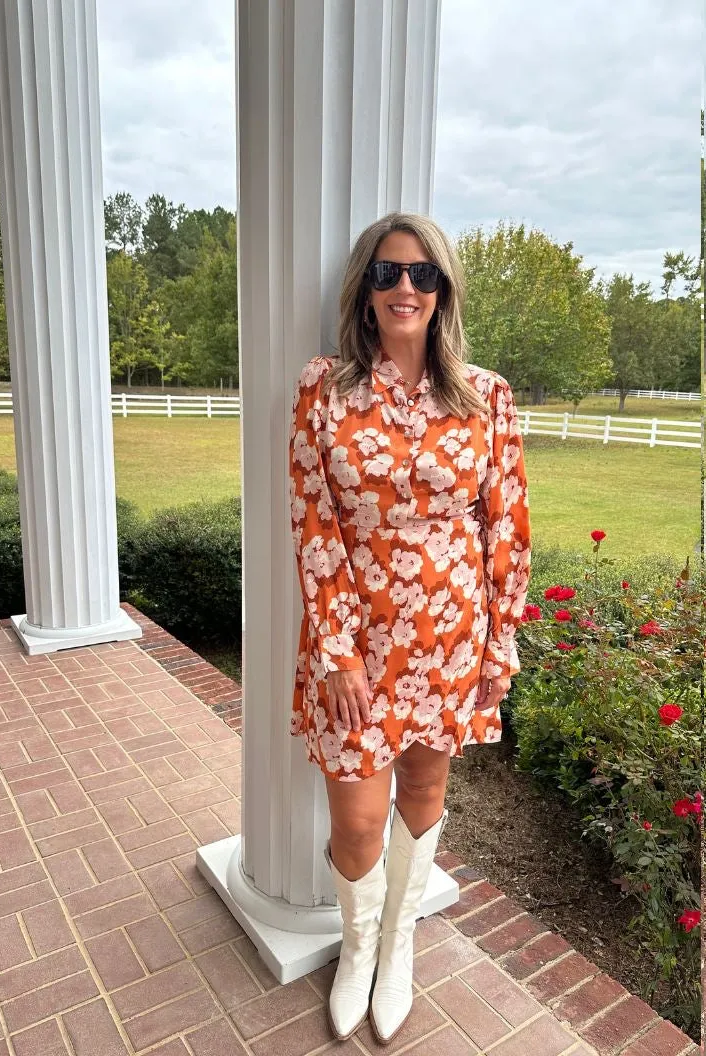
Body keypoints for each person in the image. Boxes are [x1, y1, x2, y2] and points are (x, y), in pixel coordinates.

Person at [288, 211, 531, 1044]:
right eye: (389, 273)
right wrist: (337, 653)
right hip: (355, 648)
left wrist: (499, 646)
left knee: (424, 795)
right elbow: (314, 525)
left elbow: (508, 529)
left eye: (422, 275)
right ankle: (356, 949)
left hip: (451, 639)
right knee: (357, 819)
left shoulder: (485, 396)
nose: (405, 288)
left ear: (443, 291)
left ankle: (399, 948)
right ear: (365, 290)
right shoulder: (325, 389)